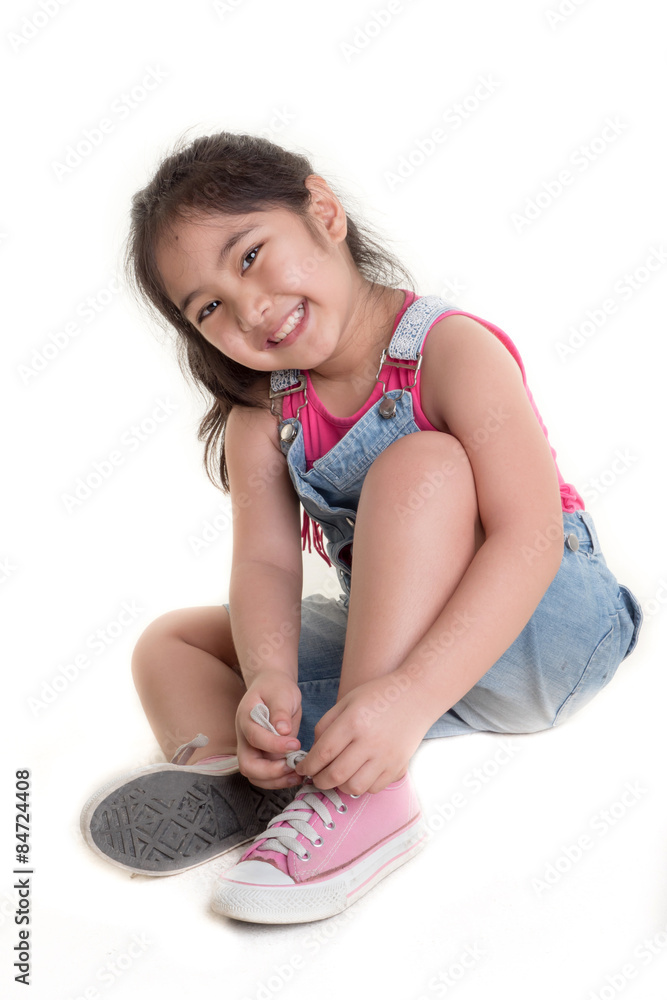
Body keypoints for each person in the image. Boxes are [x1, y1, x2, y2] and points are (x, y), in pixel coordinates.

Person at [80, 131, 643, 925]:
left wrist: (406, 699)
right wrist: (267, 679)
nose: (249, 308)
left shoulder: (446, 349)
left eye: (248, 257)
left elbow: (530, 537)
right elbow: (268, 568)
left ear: (323, 212)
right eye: (208, 307)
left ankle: (366, 795)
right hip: (400, 663)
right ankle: (245, 779)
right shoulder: (263, 417)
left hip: (543, 632)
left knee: (422, 466)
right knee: (171, 645)